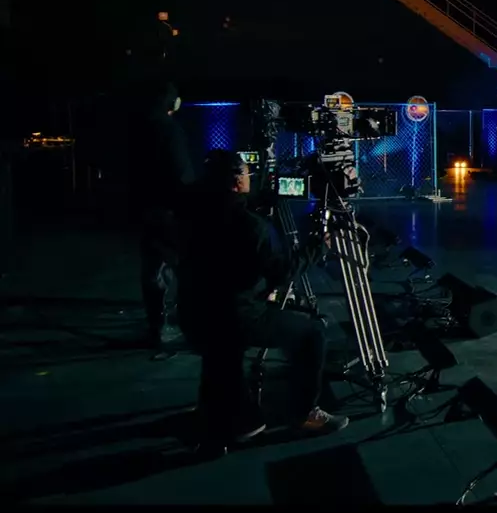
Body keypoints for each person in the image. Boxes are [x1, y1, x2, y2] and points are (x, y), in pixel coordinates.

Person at [177, 150, 349, 453]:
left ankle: (222, 413)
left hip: (194, 315)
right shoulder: (249, 225)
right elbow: (281, 271)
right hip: (235, 317)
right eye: (246, 174)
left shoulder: (190, 211)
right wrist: (316, 249)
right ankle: (304, 414)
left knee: (220, 350)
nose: (250, 177)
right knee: (312, 333)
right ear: (235, 182)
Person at [128, 80, 195, 352]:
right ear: (173, 103)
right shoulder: (170, 130)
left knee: (152, 269)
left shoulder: (139, 128)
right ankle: (186, 323)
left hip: (146, 208)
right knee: (184, 267)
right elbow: (181, 172)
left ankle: (157, 325)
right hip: (170, 210)